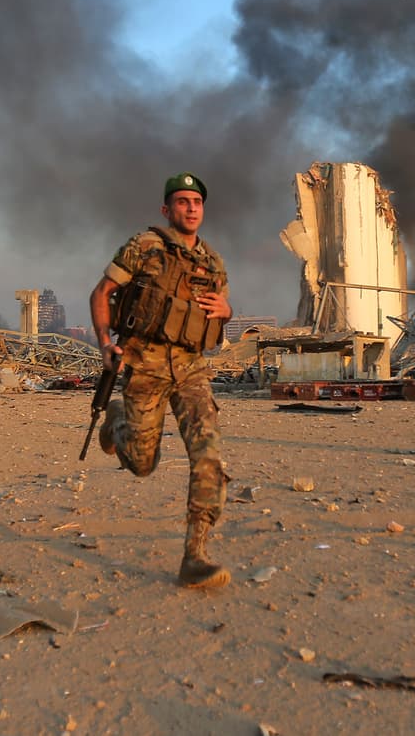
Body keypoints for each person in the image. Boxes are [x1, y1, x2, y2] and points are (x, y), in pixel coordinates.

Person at [89, 172, 233, 589]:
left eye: (197, 202)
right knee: (141, 463)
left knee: (209, 456)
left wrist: (227, 310)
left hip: (191, 368)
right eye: (182, 201)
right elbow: (101, 294)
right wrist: (103, 344)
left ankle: (196, 554)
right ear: (167, 210)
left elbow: (218, 315)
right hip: (145, 363)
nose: (191, 208)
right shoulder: (144, 247)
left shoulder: (213, 263)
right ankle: (116, 423)